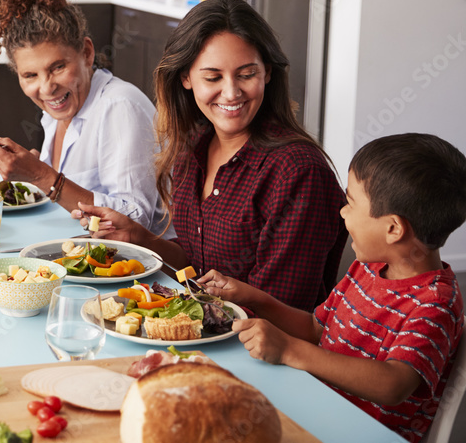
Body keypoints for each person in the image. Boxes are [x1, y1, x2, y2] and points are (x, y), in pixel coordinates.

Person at [78, 0, 347, 311]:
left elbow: (280, 310)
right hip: (206, 330)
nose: (231, 93)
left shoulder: (298, 172)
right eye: (213, 77)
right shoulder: (194, 146)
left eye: (246, 74)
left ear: (268, 73)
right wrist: (140, 238)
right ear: (186, 78)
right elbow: (198, 263)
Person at [199, 133, 466, 443]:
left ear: (393, 228)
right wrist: (253, 297)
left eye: (350, 202)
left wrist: (289, 350)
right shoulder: (367, 267)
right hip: (315, 406)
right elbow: (317, 328)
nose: (342, 211)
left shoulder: (435, 304)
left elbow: (393, 384)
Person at [0, 0, 166, 234]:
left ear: (87, 53)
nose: (46, 88)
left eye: (58, 67)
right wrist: (31, 173)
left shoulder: (119, 106)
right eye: (30, 75)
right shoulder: (57, 111)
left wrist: (43, 177)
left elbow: (138, 222)